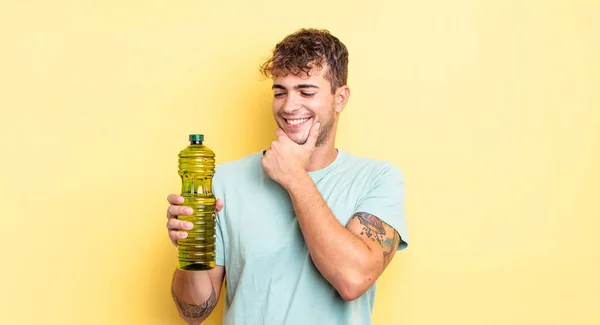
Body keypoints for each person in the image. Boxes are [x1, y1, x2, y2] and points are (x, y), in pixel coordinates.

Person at [166, 28, 408, 325]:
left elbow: (353, 279)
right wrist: (191, 251)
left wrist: (294, 176)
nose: (289, 105)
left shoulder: (378, 179)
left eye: (306, 91)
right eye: (280, 92)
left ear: (340, 98)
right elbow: (194, 312)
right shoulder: (224, 182)